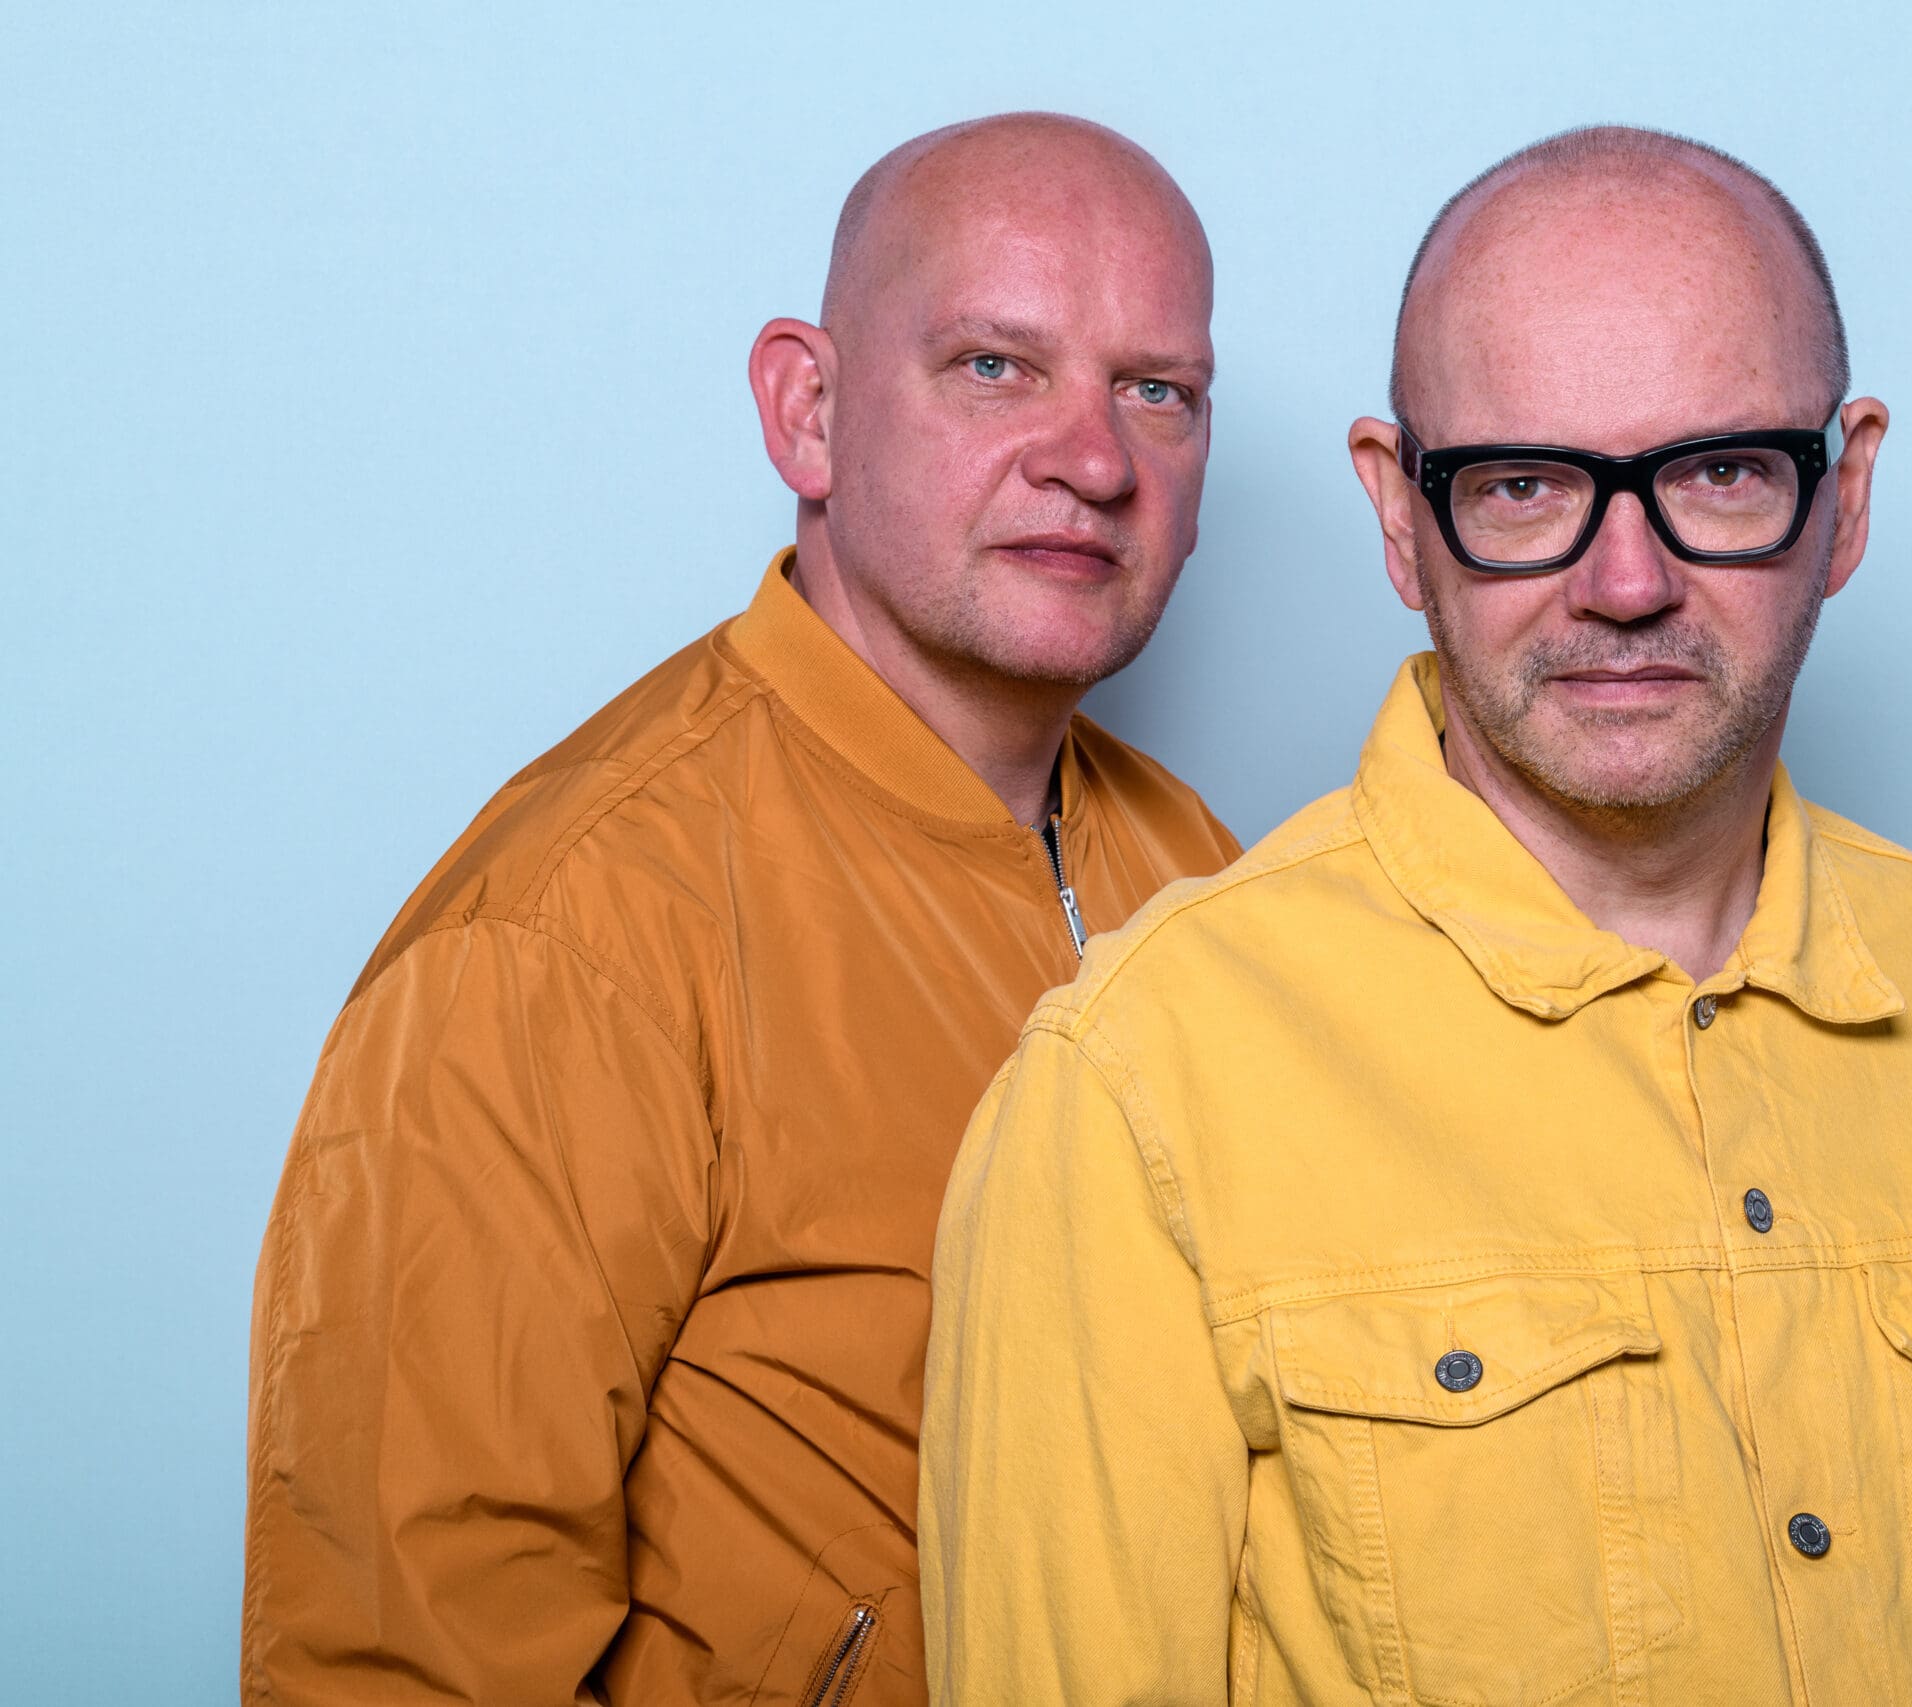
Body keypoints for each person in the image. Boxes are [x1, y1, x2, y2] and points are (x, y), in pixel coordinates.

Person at [921, 125, 1912, 1704]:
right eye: (1523, 486)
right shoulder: (1140, 1085)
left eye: (1719, 473)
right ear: (1399, 514)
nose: (1626, 583)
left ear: (1844, 498)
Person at [242, 112, 1236, 1706]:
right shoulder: (566, 936)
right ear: (808, 412)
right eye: (994, 366)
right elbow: (396, 1665)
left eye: (1156, 391)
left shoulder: (1206, 875)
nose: (1096, 460)